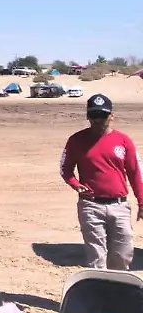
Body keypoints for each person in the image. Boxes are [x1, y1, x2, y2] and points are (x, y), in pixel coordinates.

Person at [60, 94, 143, 270]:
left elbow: (135, 173)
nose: (98, 120)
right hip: (91, 206)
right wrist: (75, 184)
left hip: (119, 206)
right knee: (96, 257)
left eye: (103, 116)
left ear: (111, 116)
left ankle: (118, 292)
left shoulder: (123, 141)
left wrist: (142, 202)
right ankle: (99, 295)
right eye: (94, 115)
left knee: (123, 254)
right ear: (88, 116)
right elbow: (65, 169)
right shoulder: (76, 141)